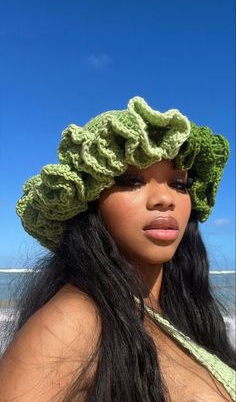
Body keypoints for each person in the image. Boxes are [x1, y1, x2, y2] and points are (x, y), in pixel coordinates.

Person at [0, 96, 235, 402]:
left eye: (179, 184)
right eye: (131, 181)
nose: (165, 199)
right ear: (89, 201)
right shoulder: (75, 321)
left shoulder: (182, 311)